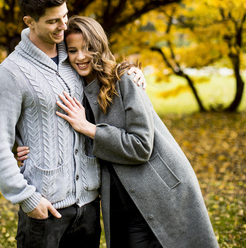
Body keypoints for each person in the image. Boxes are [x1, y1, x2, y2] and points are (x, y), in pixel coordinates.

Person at [0, 0, 145, 248]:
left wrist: (132, 72)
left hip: (89, 206)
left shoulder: (74, 55)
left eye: (65, 16)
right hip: (46, 210)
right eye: (53, 21)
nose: (63, 26)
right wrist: (27, 198)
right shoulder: (9, 74)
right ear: (29, 22)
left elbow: (106, 71)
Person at [53, 16, 219, 248]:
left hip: (159, 191)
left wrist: (90, 129)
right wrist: (26, 150)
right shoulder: (76, 90)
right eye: (72, 50)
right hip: (119, 199)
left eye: (87, 48)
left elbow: (141, 146)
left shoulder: (125, 80)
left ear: (99, 47)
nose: (80, 57)